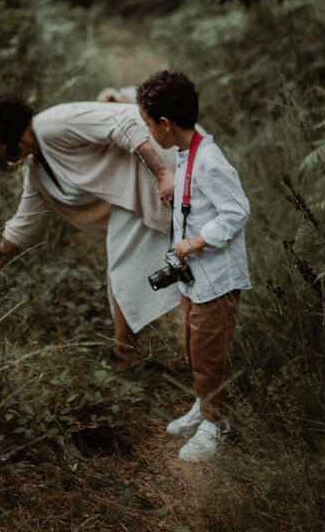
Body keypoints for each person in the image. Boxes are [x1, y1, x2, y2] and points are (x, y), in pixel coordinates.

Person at [0, 94, 180, 363]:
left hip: (164, 164)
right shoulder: (38, 171)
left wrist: (163, 174)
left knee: (125, 265)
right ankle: (126, 351)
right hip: (138, 195)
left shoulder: (52, 124)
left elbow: (126, 121)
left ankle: (126, 352)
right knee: (125, 269)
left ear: (4, 131)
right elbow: (23, 223)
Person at [135, 70, 251, 462]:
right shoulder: (189, 150)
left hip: (216, 278)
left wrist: (196, 241)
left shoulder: (210, 161)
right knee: (192, 345)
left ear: (166, 124)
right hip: (195, 278)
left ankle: (217, 424)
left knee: (207, 353)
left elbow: (237, 211)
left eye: (149, 125)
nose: (149, 133)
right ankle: (204, 408)